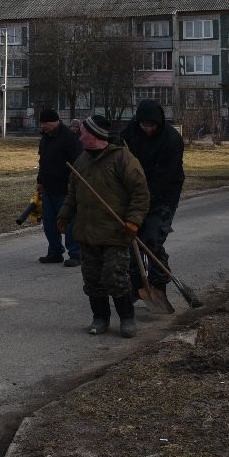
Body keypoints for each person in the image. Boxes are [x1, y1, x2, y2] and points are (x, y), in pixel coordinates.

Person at [58, 113, 149, 338]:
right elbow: (72, 194)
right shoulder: (81, 162)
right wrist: (64, 215)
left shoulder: (123, 159)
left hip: (116, 232)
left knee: (115, 277)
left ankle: (127, 319)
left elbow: (140, 193)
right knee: (92, 279)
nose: (79, 139)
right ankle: (100, 318)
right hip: (88, 233)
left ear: (96, 135)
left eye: (83, 134)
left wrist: (133, 221)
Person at [120, 99, 186, 309]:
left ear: (159, 123)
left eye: (151, 126)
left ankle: (158, 285)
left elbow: (163, 177)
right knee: (132, 239)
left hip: (164, 194)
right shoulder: (131, 131)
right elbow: (119, 151)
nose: (147, 129)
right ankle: (136, 285)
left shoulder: (172, 140)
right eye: (144, 125)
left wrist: (145, 199)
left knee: (152, 241)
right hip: (135, 192)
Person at [35, 108, 83, 266]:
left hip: (65, 189)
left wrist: (73, 184)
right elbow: (43, 161)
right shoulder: (46, 137)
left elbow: (77, 162)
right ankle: (55, 252)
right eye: (42, 124)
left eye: (46, 123)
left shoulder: (69, 137)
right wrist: (40, 181)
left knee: (69, 222)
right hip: (48, 187)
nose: (43, 126)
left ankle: (76, 254)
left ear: (55, 121)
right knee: (49, 223)